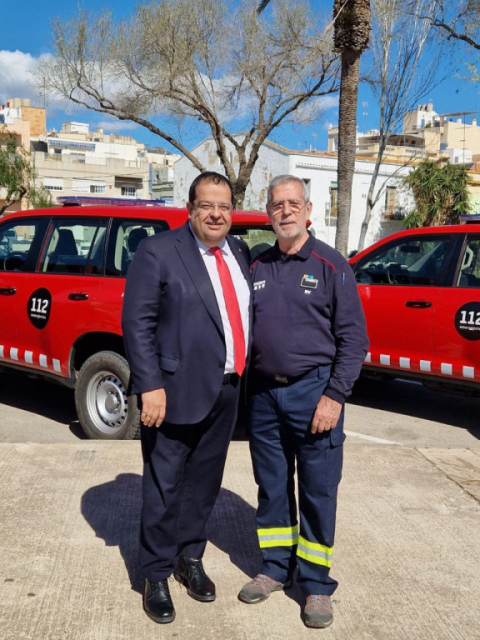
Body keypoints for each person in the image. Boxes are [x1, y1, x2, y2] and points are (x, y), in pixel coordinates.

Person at [238, 175, 369, 629]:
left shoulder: (332, 266)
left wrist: (334, 396)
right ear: (268, 211)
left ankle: (315, 585)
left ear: (308, 209)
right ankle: (275, 568)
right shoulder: (257, 266)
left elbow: (354, 341)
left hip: (314, 394)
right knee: (272, 486)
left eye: (294, 203)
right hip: (263, 396)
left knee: (317, 491)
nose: (286, 211)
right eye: (277, 205)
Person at [122, 171, 251, 624]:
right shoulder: (158, 252)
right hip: (172, 392)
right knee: (164, 485)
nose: (216, 214)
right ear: (190, 208)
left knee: (203, 484)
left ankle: (189, 556)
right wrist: (149, 384)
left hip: (228, 389)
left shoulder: (238, 250)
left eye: (224, 206)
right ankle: (155, 571)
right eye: (206, 205)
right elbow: (137, 324)